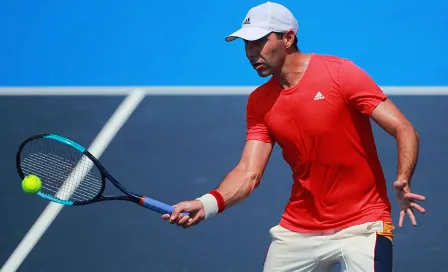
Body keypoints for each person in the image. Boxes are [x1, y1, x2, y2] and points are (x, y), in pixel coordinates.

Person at [162, 1, 427, 271]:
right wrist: (205, 204)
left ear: (288, 38)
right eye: (246, 44)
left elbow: (403, 128)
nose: (250, 52)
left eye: (259, 42)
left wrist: (403, 178)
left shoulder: (340, 74)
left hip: (363, 223)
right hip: (299, 229)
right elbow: (248, 172)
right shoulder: (259, 102)